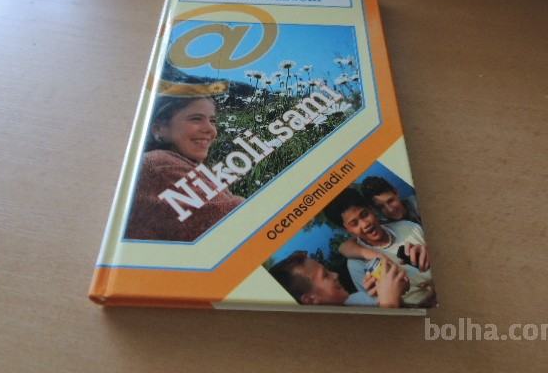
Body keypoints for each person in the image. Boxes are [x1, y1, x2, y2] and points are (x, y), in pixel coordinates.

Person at [125, 93, 244, 241]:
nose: (210, 129)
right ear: (159, 129)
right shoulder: (158, 165)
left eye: (212, 121)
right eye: (196, 119)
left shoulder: (178, 164)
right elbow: (235, 220)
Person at [325, 188, 436, 308]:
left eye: (364, 214)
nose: (365, 224)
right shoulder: (356, 265)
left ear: (371, 209)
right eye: (354, 223)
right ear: (347, 230)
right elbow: (384, 307)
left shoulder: (409, 227)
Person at [268, 251, 409, 308]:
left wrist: (393, 292)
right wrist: (389, 304)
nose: (335, 274)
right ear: (310, 299)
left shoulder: (357, 299)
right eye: (325, 275)